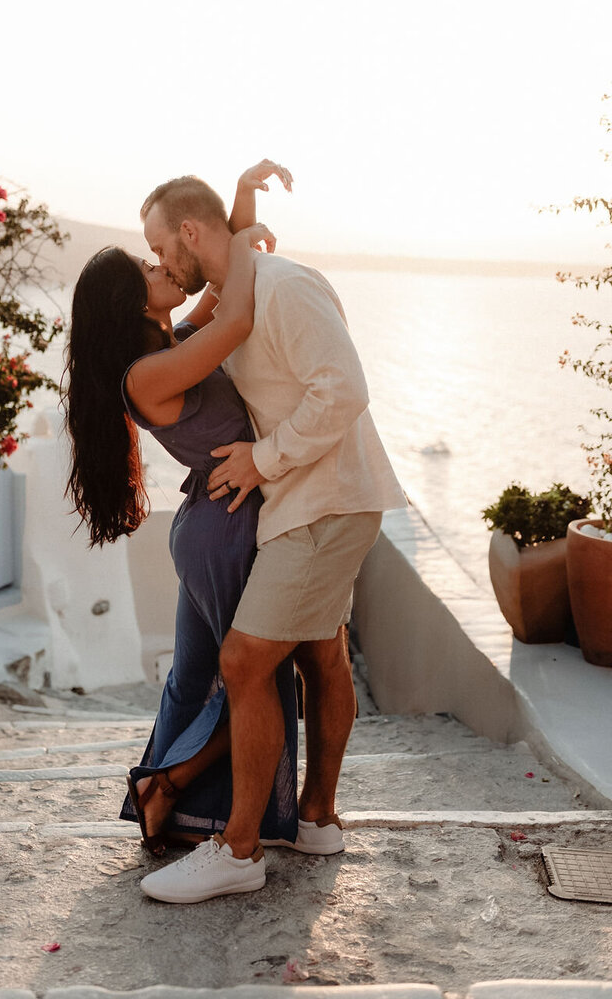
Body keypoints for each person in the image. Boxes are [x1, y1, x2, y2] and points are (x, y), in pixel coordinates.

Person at [138, 173, 407, 903]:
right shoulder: (244, 296)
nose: (159, 261)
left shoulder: (284, 289)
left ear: (191, 234)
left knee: (245, 661)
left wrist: (263, 458)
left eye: (161, 246)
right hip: (301, 503)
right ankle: (316, 819)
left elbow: (344, 388)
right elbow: (224, 319)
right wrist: (246, 222)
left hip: (325, 503)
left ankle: (239, 849)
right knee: (322, 654)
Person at [63, 161, 299, 859]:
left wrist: (244, 198)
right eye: (148, 264)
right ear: (131, 303)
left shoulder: (165, 343)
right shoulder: (153, 371)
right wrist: (250, 236)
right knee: (252, 679)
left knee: (198, 680)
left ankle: (165, 798)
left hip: (210, 524)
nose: (162, 264)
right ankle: (173, 784)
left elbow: (213, 277)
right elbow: (240, 312)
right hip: (222, 531)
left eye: (157, 252)